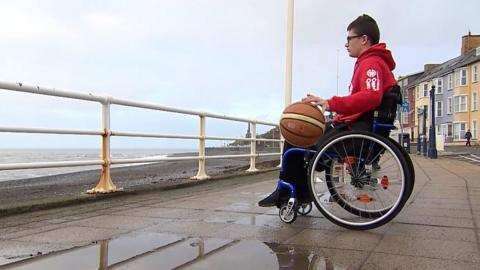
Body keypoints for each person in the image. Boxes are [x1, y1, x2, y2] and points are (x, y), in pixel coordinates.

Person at [259, 14, 397, 207]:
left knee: (295, 138)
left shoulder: (371, 63)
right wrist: (338, 113)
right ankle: (300, 191)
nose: (346, 44)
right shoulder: (373, 62)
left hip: (355, 135)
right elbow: (364, 103)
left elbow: (371, 97)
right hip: (357, 129)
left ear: (364, 39)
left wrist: (329, 103)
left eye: (349, 38)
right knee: (300, 137)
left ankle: (289, 192)